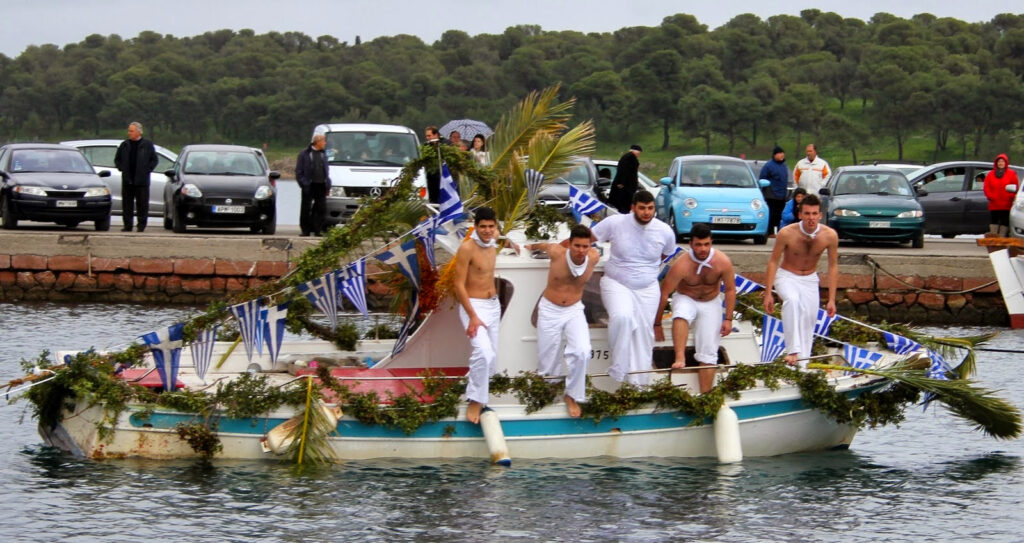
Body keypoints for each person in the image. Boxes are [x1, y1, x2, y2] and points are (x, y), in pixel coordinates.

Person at [590, 190, 677, 385]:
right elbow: (586, 238)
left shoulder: (665, 231)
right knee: (623, 318)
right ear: (633, 208)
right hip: (616, 282)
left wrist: (645, 272)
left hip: (648, 288)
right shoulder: (615, 223)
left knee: (644, 335)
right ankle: (618, 370)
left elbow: (666, 255)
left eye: (650, 208)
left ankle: (639, 385)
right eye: (642, 208)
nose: (647, 212)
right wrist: (552, 247)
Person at [525, 225, 600, 417]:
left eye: (585, 246)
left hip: (574, 309)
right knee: (548, 357)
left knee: (582, 351)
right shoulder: (557, 253)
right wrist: (529, 246)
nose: (581, 250)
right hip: (550, 309)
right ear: (569, 243)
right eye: (577, 246)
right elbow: (542, 245)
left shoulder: (593, 257)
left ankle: (572, 395)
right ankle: (550, 393)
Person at [654, 223, 736, 394]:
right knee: (682, 313)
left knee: (709, 350)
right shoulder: (681, 264)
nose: (702, 249)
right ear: (691, 244)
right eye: (698, 244)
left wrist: (728, 319)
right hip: (686, 297)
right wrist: (657, 324)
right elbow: (664, 293)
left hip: (711, 301)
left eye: (706, 244)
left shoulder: (722, 262)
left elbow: (729, 289)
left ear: (711, 242)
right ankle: (680, 357)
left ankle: (705, 394)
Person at [762, 194, 839, 368]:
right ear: (800, 215)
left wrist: (832, 299)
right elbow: (773, 261)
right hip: (787, 276)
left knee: (809, 319)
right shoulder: (786, 233)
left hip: (810, 279)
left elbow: (833, 266)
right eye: (807, 214)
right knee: (792, 300)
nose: (811, 218)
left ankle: (801, 365)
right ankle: (792, 351)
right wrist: (768, 293)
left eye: (814, 214)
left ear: (820, 215)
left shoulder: (830, 235)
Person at [454, 207, 501, 424]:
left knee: (492, 358)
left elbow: (500, 237)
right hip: (474, 305)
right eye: (483, 226)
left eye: (491, 226)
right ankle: (474, 399)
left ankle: (483, 396)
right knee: (483, 352)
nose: (487, 230)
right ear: (475, 226)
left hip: (493, 305)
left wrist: (515, 244)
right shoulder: (467, 248)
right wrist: (472, 315)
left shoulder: (493, 240)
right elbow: (458, 285)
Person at [113, 122, 159, 232]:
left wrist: (147, 170)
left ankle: (141, 225)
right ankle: (127, 225)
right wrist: (122, 168)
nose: (129, 133)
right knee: (127, 204)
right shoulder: (124, 144)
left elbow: (154, 160)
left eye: (131, 131)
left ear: (139, 132)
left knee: (142, 204)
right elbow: (117, 159)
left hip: (141, 181)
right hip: (127, 180)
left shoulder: (147, 145)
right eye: (129, 131)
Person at [295, 133, 331, 237]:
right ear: (318, 142)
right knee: (306, 208)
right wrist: (303, 183)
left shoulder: (323, 154)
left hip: (321, 185)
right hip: (309, 185)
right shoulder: (305, 154)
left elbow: (326, 169)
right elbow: (299, 171)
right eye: (323, 141)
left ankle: (317, 229)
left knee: (321, 208)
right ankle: (305, 230)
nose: (325, 143)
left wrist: (328, 182)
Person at [983, 154, 1020, 237]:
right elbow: (986, 187)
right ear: (996, 163)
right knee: (994, 220)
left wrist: (1010, 196)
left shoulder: (1011, 174)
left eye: (1002, 161)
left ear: (1006, 163)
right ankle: (994, 237)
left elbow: (1015, 187)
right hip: (994, 203)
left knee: (1004, 221)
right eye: (999, 161)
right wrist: (990, 196)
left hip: (1006, 203)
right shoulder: (990, 174)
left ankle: (1002, 237)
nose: (1001, 163)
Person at [759, 146, 789, 236]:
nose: (782, 155)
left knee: (780, 214)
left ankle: (779, 231)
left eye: (782, 153)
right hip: (771, 194)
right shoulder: (769, 165)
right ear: (775, 155)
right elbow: (762, 178)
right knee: (771, 213)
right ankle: (770, 231)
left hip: (782, 194)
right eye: (779, 153)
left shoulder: (784, 166)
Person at [608, 144, 643, 214]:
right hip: (626, 187)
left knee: (624, 206)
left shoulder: (627, 157)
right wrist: (621, 182)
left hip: (627, 187)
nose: (638, 155)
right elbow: (623, 171)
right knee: (624, 206)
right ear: (635, 151)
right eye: (639, 153)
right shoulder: (629, 158)